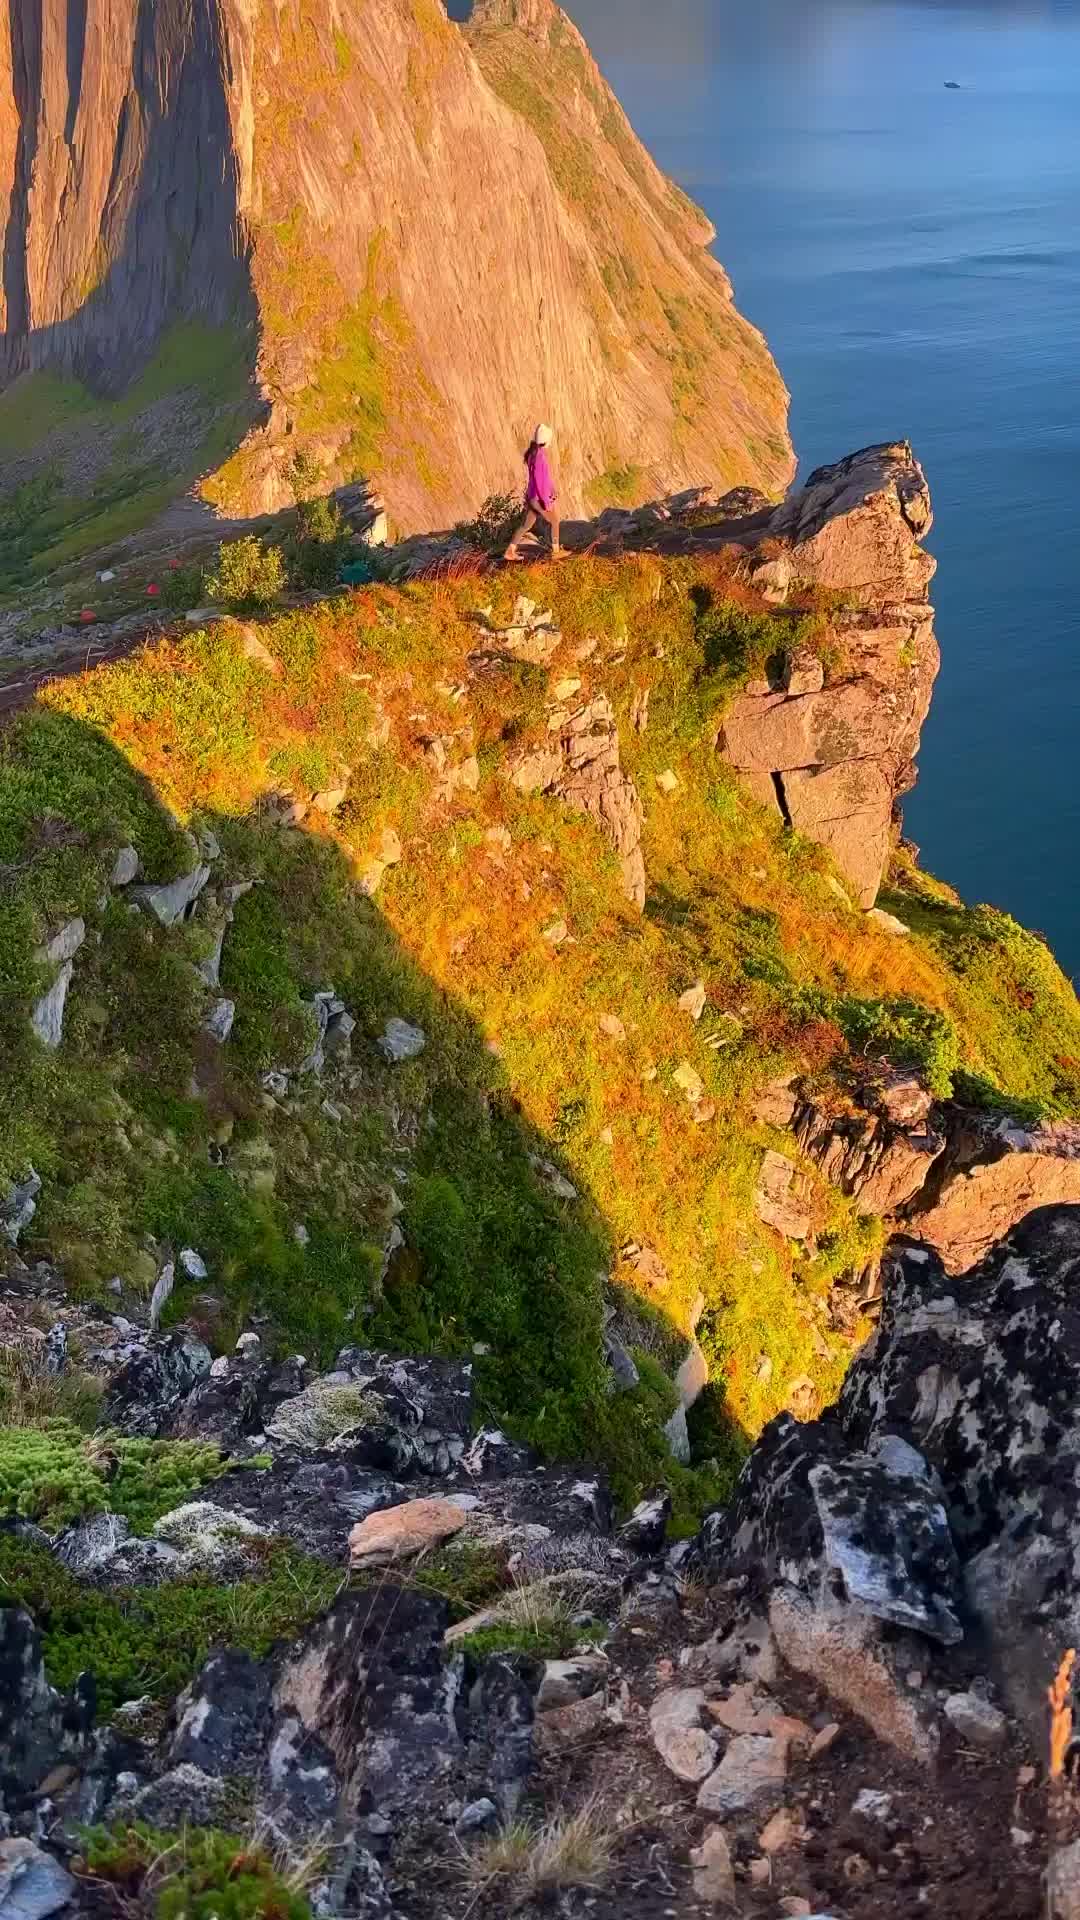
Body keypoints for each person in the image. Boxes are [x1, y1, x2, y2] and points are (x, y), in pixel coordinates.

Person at [505, 422, 564, 560]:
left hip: (532, 497)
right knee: (555, 521)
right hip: (538, 498)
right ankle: (556, 552)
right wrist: (546, 501)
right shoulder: (539, 456)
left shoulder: (535, 453)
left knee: (526, 525)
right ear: (546, 440)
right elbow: (539, 481)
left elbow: (544, 477)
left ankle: (510, 551)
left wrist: (552, 488)